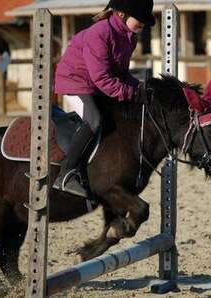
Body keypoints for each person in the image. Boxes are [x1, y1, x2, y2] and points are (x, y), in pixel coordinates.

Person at [53, 0, 155, 197]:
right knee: (94, 120)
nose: (143, 24)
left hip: (96, 84)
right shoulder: (99, 33)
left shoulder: (129, 37)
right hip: (75, 81)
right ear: (122, 14)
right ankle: (66, 174)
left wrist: (141, 87)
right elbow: (102, 78)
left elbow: (121, 74)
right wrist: (132, 93)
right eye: (140, 19)